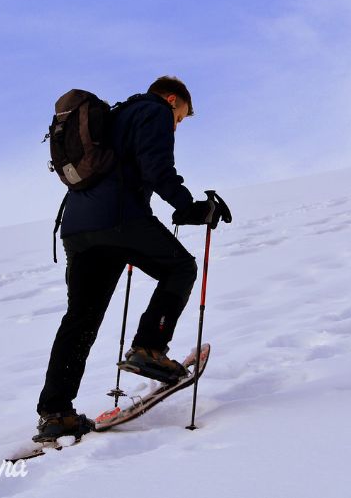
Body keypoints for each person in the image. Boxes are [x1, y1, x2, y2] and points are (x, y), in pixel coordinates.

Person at [34, 76, 231, 442]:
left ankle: (55, 412)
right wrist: (190, 207)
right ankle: (149, 349)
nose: (177, 124)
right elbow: (156, 167)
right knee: (180, 268)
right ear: (173, 99)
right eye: (182, 117)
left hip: (78, 231)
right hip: (121, 220)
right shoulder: (153, 111)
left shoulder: (114, 116)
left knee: (81, 320)